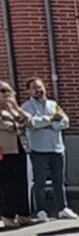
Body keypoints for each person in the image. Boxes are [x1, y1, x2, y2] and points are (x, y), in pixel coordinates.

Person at [22, 77, 76, 221]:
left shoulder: (53, 104)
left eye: (40, 87)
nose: (38, 90)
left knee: (59, 181)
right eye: (34, 88)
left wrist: (49, 124)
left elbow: (65, 122)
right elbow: (32, 123)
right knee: (39, 181)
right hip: (39, 149)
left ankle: (62, 208)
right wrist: (52, 120)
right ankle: (41, 210)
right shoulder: (26, 107)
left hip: (57, 148)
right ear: (29, 91)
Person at [0, 81, 35, 228]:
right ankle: (8, 215)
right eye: (2, 91)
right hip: (5, 151)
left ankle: (23, 214)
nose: (6, 94)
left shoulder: (14, 110)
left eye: (8, 91)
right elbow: (9, 127)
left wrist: (16, 109)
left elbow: (30, 122)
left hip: (20, 149)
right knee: (8, 185)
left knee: (22, 183)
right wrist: (19, 124)